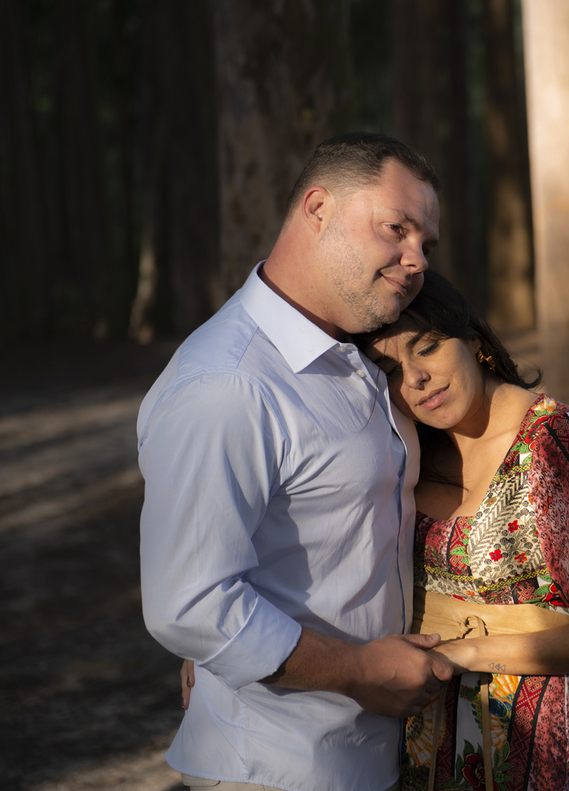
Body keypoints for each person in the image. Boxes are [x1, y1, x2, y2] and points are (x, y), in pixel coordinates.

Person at [138, 132, 455, 791]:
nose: (415, 258)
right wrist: (363, 671)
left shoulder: (366, 355)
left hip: (373, 756)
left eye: (425, 243)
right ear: (317, 208)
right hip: (278, 767)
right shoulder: (228, 383)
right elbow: (189, 603)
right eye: (395, 228)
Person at [366, 272, 569, 791]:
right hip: (421, 737)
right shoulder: (402, 453)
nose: (415, 378)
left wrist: (465, 653)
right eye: (389, 369)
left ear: (474, 343)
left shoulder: (556, 444)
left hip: (543, 745)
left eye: (427, 348)